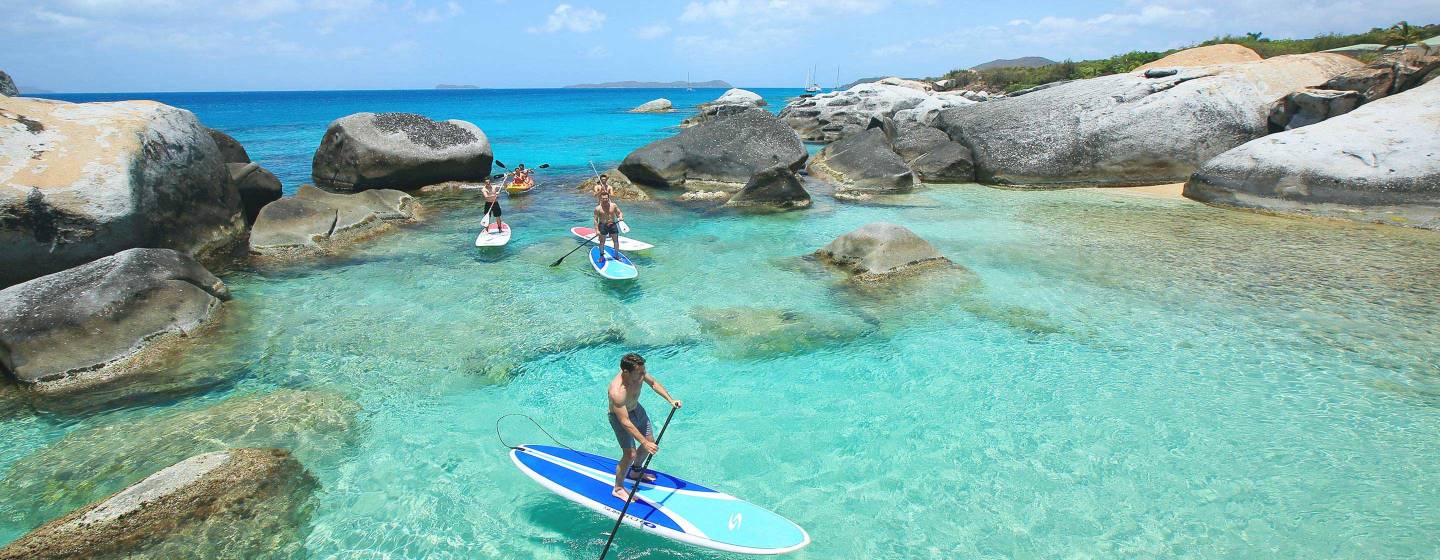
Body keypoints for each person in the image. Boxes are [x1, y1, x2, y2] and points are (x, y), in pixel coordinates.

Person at [607, 353, 680, 500]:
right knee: (630, 454)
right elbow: (625, 422)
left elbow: (654, 384)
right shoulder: (617, 392)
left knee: (650, 441)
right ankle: (618, 488)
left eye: (643, 370)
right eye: (639, 372)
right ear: (626, 372)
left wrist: (670, 400)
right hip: (620, 418)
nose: (643, 374)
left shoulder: (639, 373)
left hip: (637, 410)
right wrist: (644, 442)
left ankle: (635, 471)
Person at [593, 192, 624, 261]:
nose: (605, 200)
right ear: (600, 198)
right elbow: (595, 220)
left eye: (606, 198)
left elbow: (619, 213)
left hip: (612, 224)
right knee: (602, 242)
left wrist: (620, 217)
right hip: (603, 225)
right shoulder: (598, 208)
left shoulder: (613, 205)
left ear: (608, 198)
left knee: (616, 241)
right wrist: (597, 230)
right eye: (603, 198)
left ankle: (616, 255)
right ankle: (601, 256)